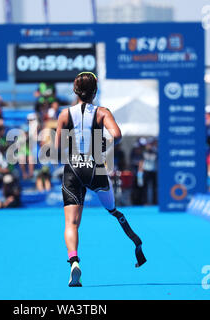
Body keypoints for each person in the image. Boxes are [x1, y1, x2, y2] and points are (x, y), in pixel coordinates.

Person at [55, 72, 146, 287]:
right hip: (95, 168)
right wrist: (101, 144)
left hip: (73, 170)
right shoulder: (102, 112)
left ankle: (74, 261)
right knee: (113, 211)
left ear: (75, 91)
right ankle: (136, 242)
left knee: (72, 223)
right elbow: (117, 135)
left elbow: (58, 149)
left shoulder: (64, 114)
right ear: (95, 91)